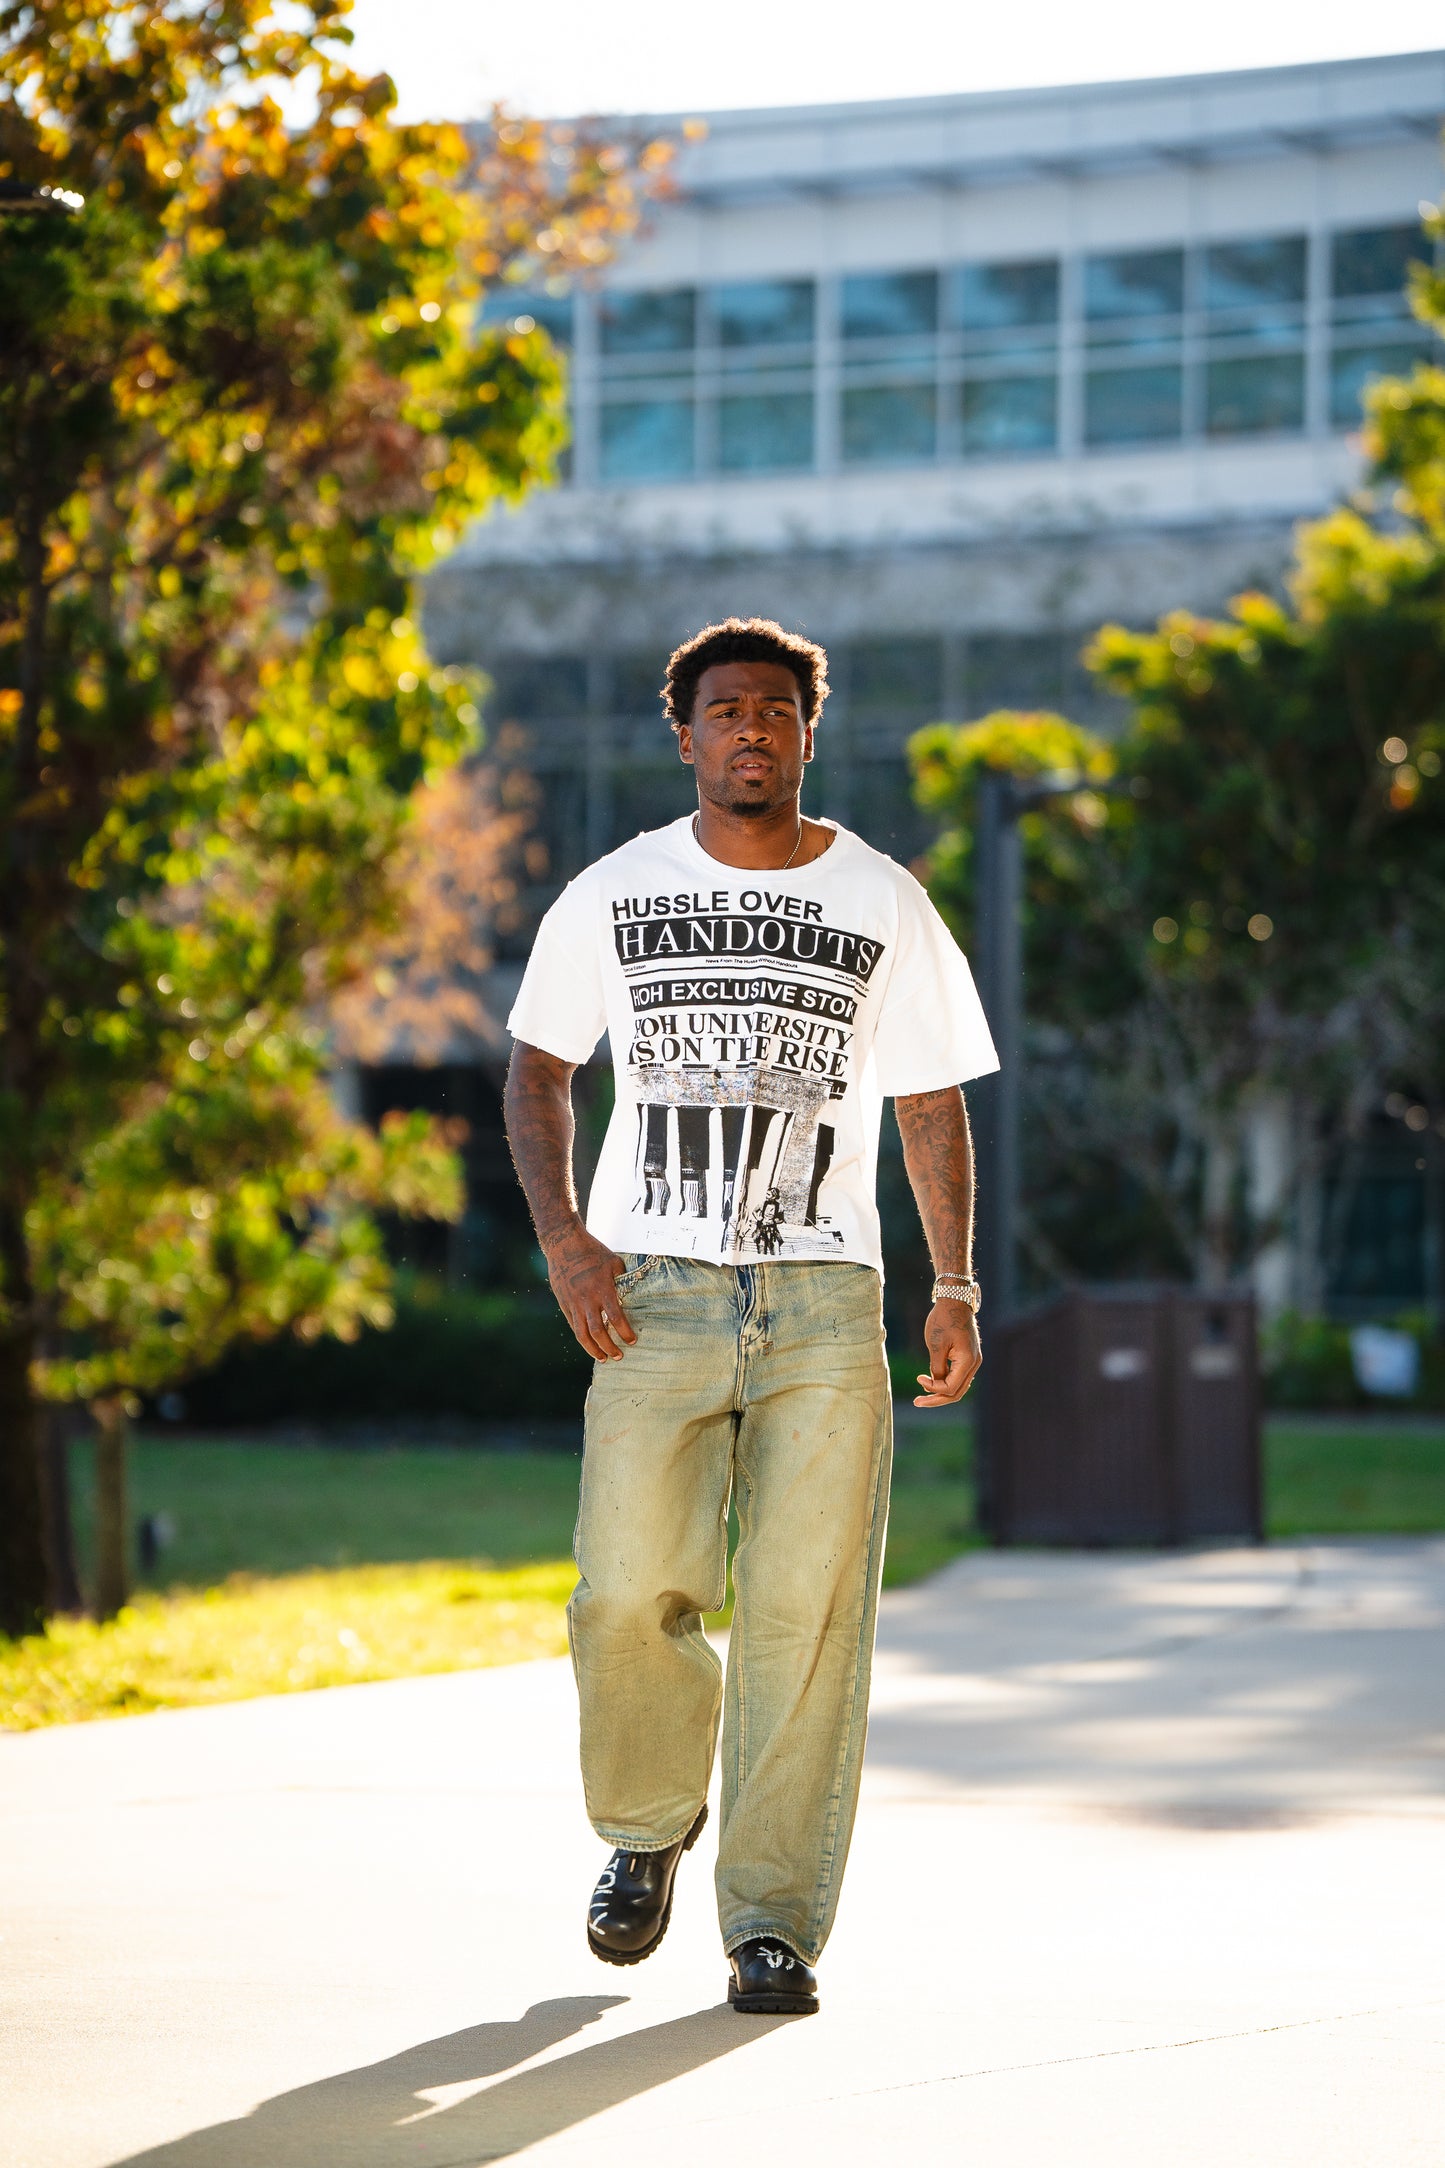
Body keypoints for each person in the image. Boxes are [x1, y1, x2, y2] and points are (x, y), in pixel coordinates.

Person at [503, 616, 997, 2016]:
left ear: (806, 730)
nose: (750, 731)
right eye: (724, 711)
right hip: (649, 1294)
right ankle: (647, 1828)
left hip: (827, 1300)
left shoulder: (881, 898)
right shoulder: (612, 893)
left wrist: (951, 1280)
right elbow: (539, 1070)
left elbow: (928, 1101)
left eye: (775, 710)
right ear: (686, 735)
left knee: (806, 1612)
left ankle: (771, 1924)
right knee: (620, 1594)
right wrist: (566, 1244)